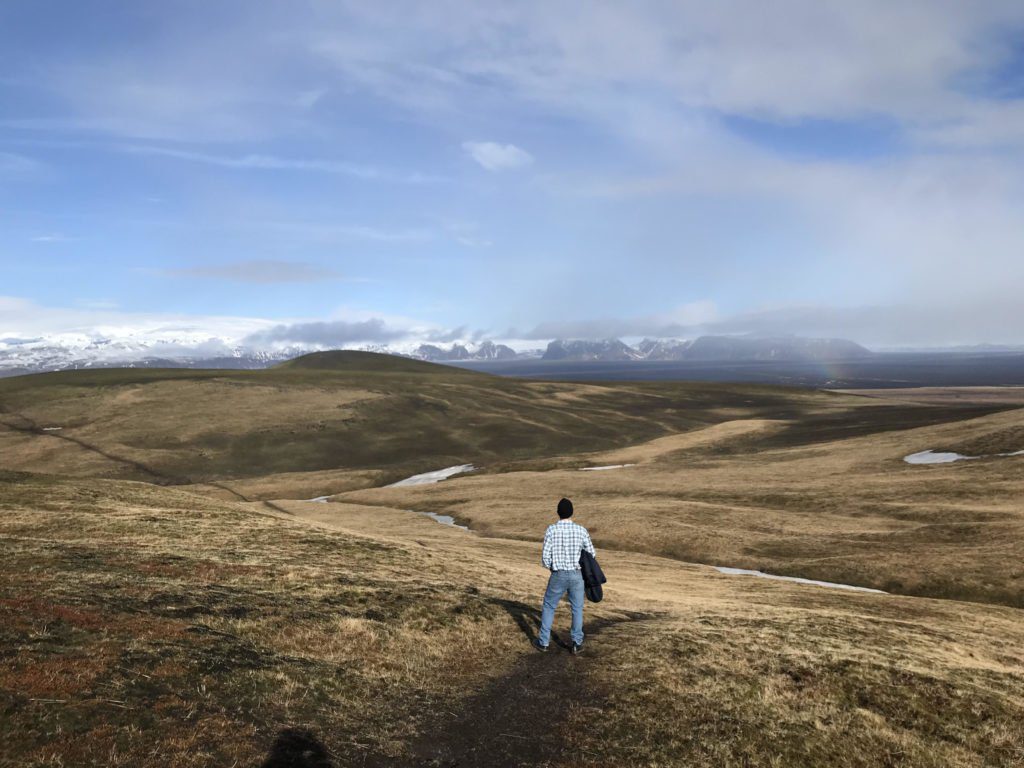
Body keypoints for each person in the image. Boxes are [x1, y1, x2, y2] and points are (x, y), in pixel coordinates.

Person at [534, 497, 595, 654]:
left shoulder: (551, 530)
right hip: (577, 575)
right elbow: (591, 554)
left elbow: (545, 557)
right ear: (572, 512)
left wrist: (554, 568)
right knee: (577, 609)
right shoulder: (581, 530)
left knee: (549, 606)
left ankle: (544, 642)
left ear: (558, 513)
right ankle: (576, 643)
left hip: (558, 574)